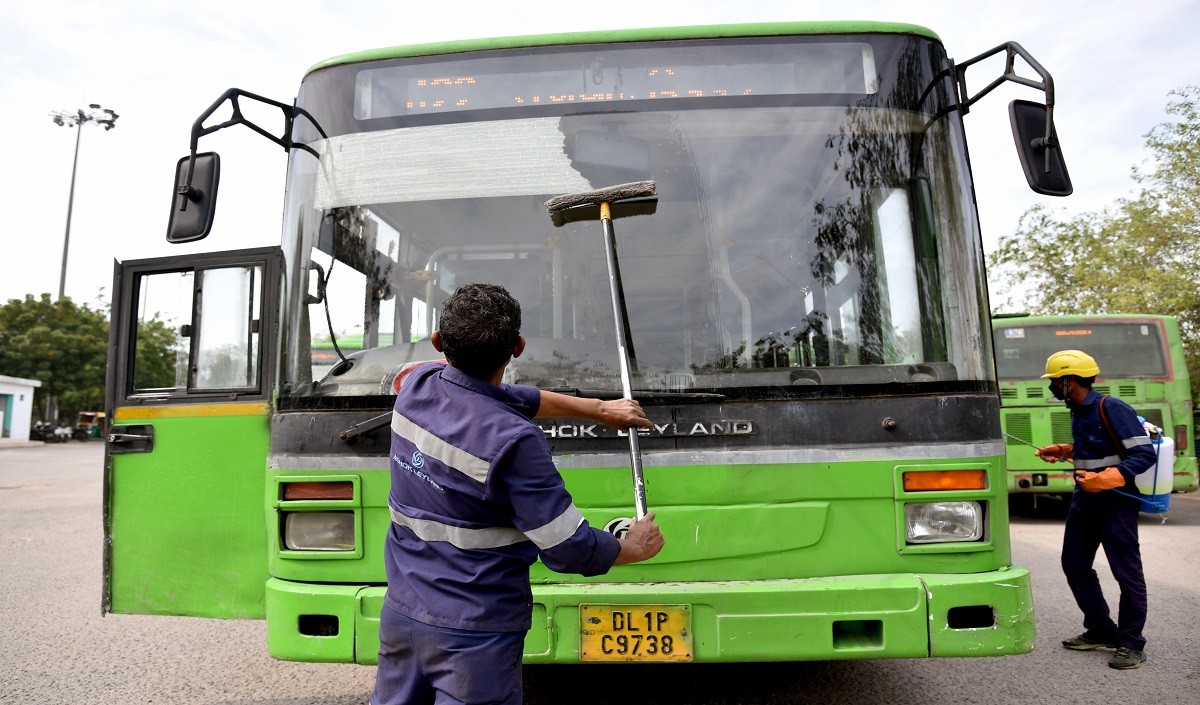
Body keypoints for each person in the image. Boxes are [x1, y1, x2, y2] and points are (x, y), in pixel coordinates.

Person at [372, 282, 665, 705]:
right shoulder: (513, 441)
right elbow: (567, 548)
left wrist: (601, 410)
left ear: (438, 343)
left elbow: (503, 396)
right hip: (474, 633)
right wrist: (630, 547)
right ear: (519, 348)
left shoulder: (417, 385)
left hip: (402, 613)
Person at [1034, 349, 1156, 670]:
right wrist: (1064, 450)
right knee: (1074, 564)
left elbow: (1143, 454)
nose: (1051, 386)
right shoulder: (1076, 409)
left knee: (1126, 574)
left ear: (1070, 381)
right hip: (1084, 503)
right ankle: (1101, 628)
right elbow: (1096, 450)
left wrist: (1106, 480)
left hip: (1116, 504)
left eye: (1055, 381)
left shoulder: (1111, 407)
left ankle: (1131, 643)